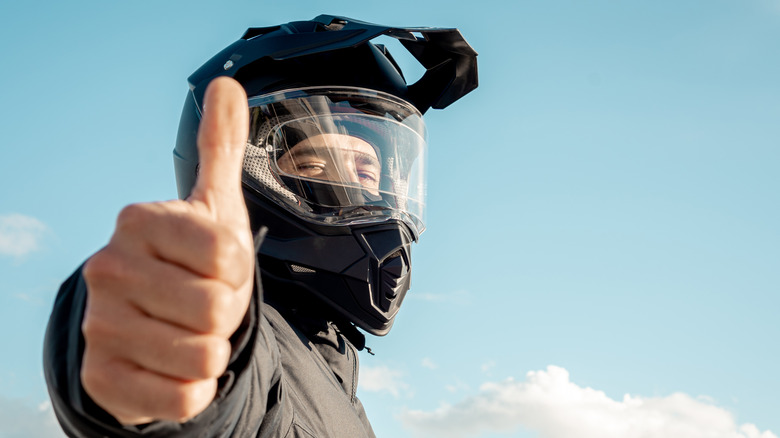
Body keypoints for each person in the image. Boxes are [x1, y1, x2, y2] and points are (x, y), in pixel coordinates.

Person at [43, 15, 478, 437]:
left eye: (366, 173)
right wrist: (162, 338)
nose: (351, 190)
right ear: (249, 176)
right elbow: (228, 402)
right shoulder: (257, 352)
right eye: (312, 165)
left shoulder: (333, 380)